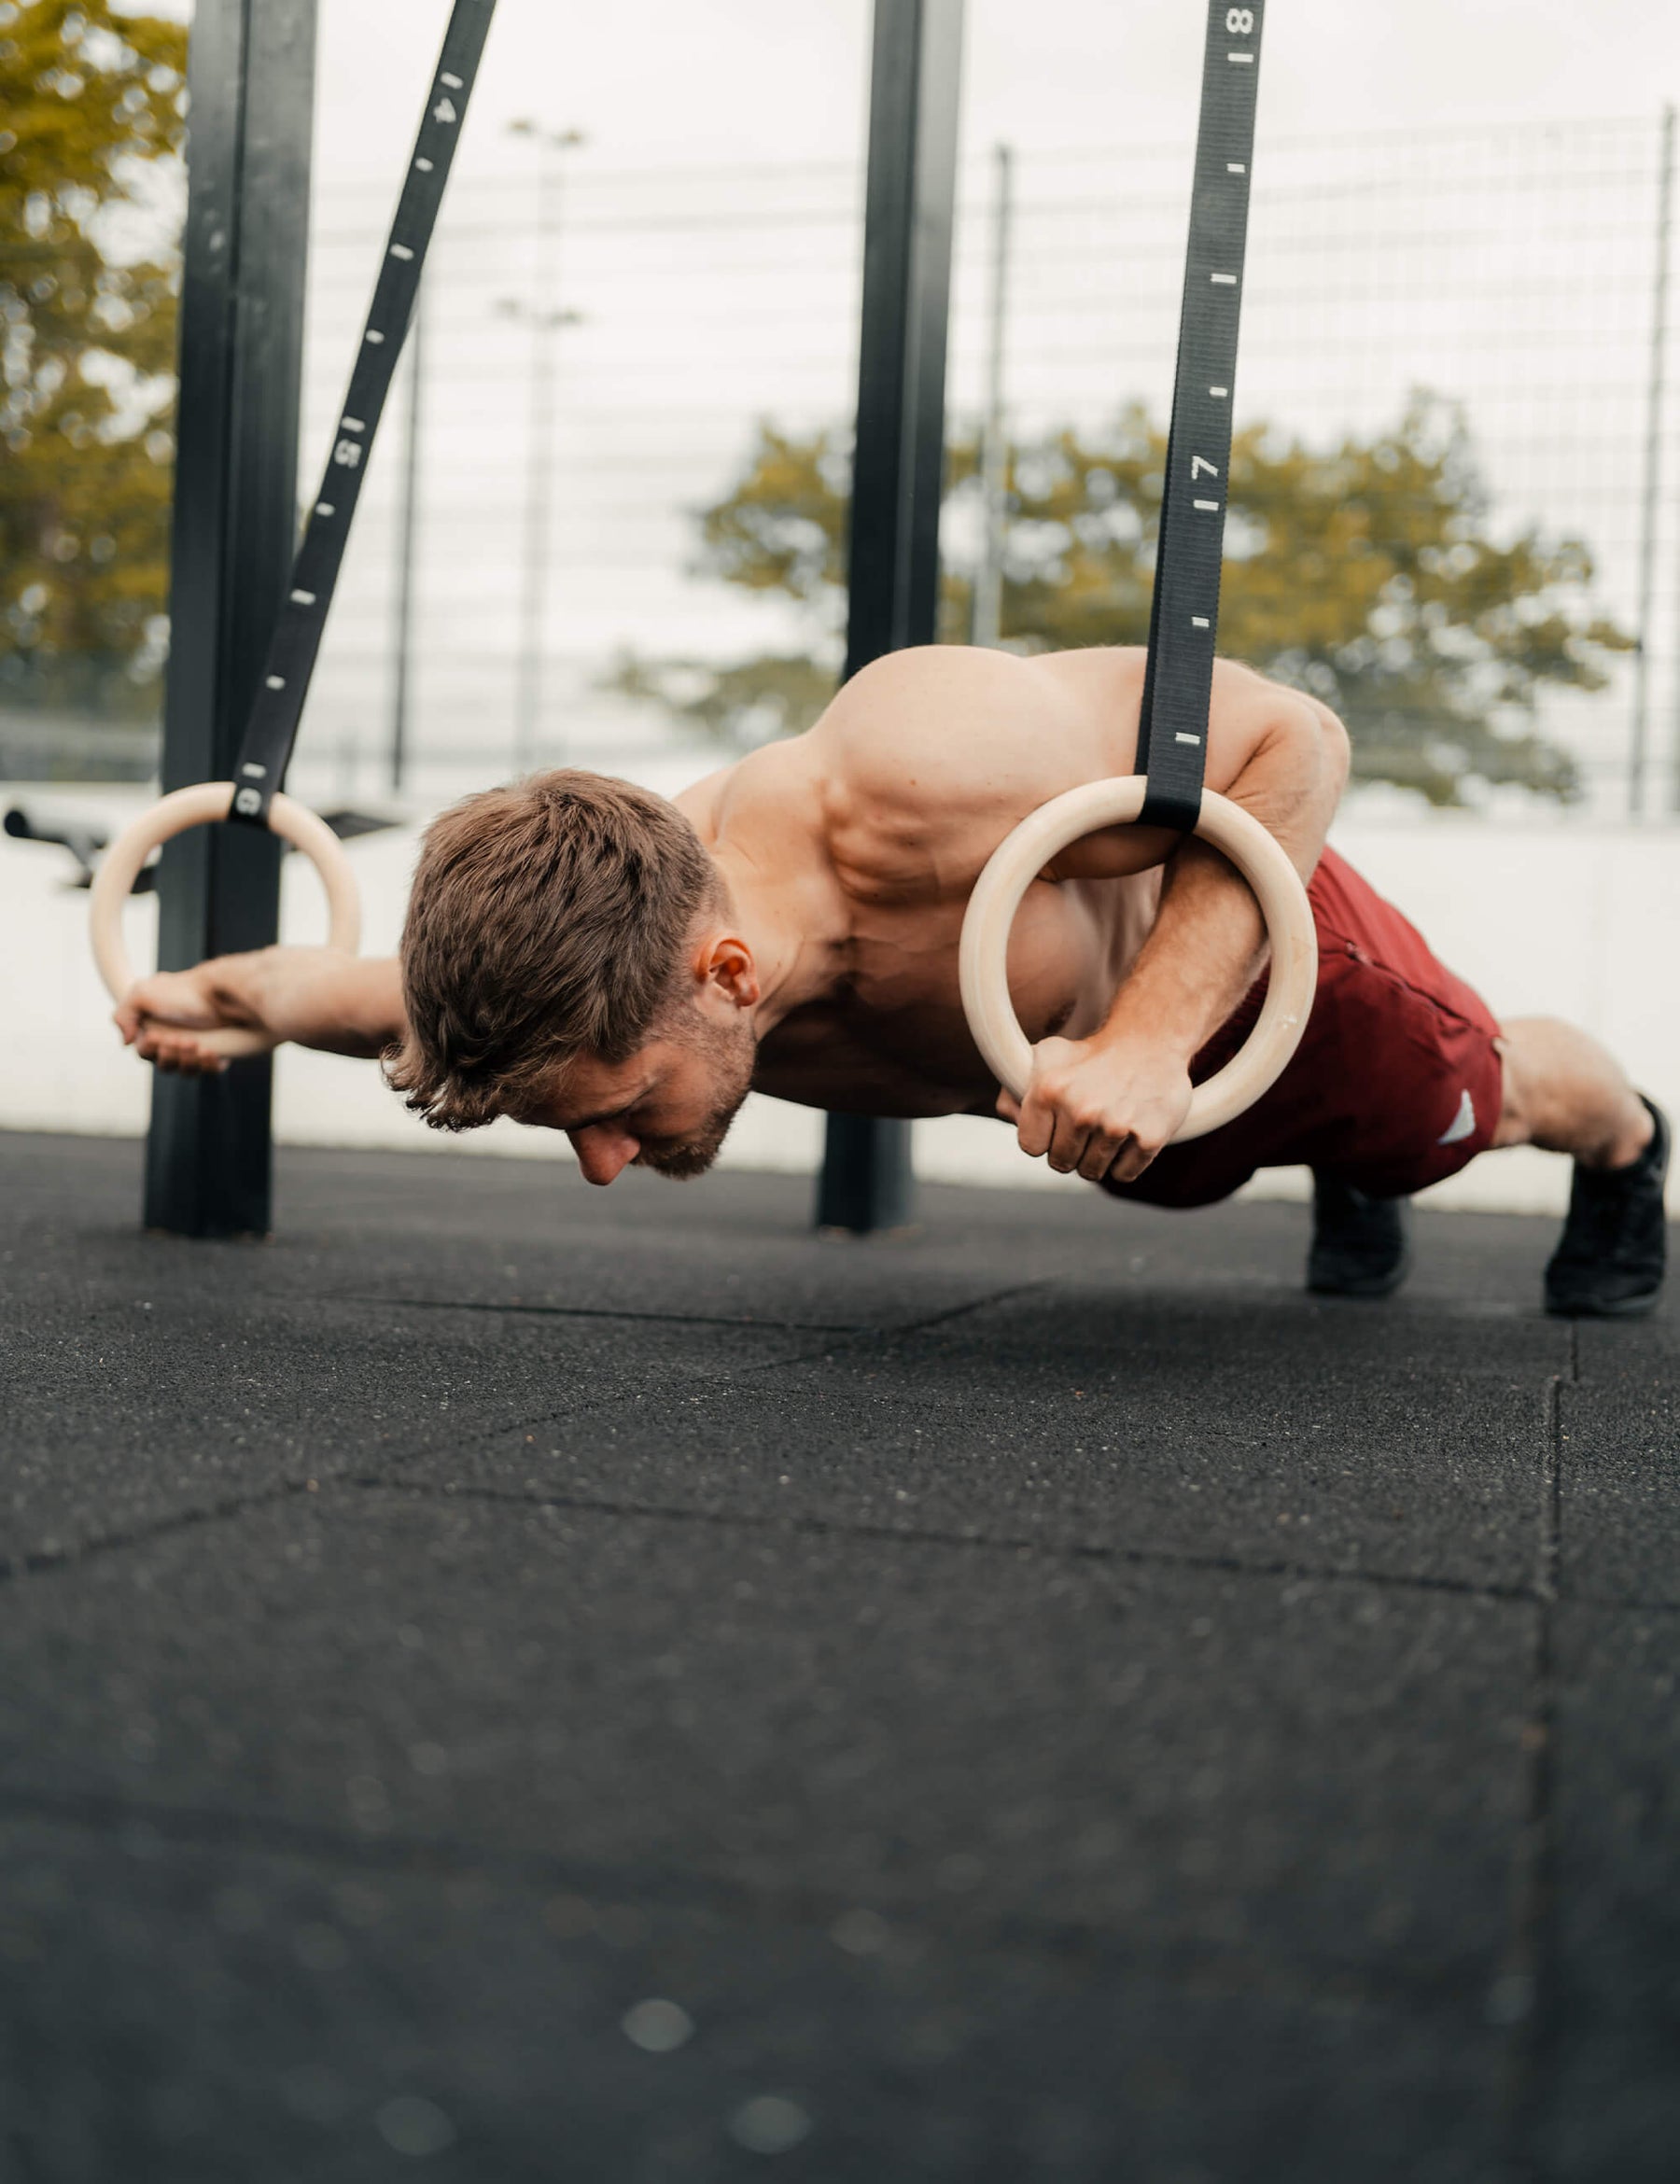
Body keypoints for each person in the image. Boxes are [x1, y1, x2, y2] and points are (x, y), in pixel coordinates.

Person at [115, 645, 1668, 1316]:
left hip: (1262, 985)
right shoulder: (619, 973)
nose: (605, 1166)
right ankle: (1333, 1174)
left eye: (615, 1114)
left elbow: (1295, 739)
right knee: (1203, 1169)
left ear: (724, 971)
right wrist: (215, 996)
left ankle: (1633, 1148)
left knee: (1478, 1105)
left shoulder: (920, 768)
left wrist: (1149, 1037)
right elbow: (388, 1003)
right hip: (1121, 1111)